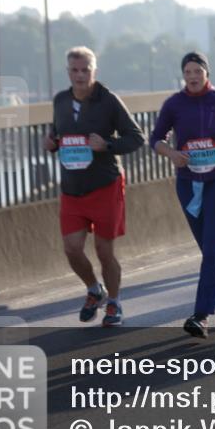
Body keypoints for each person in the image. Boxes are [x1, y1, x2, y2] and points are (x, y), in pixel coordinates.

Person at [150, 52, 215, 338]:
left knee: (211, 249)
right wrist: (171, 154)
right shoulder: (174, 104)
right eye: (188, 72)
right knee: (211, 247)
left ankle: (202, 315)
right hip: (188, 185)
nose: (193, 76)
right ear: (183, 75)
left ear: (206, 73)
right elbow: (155, 139)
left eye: (198, 71)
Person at [42, 47, 144, 326]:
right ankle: (93, 289)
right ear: (68, 72)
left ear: (94, 71)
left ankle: (113, 301)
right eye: (74, 70)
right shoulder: (61, 101)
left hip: (104, 186)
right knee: (72, 249)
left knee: (103, 250)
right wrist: (51, 144)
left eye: (85, 69)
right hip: (72, 188)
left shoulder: (108, 100)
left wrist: (107, 145)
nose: (80, 75)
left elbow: (136, 138)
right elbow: (58, 134)